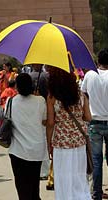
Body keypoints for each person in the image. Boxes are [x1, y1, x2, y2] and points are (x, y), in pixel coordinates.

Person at [46, 67, 91, 200]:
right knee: (79, 177)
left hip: (61, 142)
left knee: (63, 178)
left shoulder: (52, 97)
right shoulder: (81, 94)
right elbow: (88, 117)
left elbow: (50, 123)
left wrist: (49, 143)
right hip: (79, 141)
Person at [8, 73, 48, 200]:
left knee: (22, 187)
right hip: (37, 150)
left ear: (17, 86)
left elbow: (7, 119)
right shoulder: (41, 101)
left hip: (17, 151)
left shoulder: (11, 102)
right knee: (34, 185)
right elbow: (45, 120)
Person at [81, 48, 108, 200]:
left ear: (98, 61)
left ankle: (96, 193)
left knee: (96, 160)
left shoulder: (90, 75)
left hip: (94, 121)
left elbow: (83, 94)